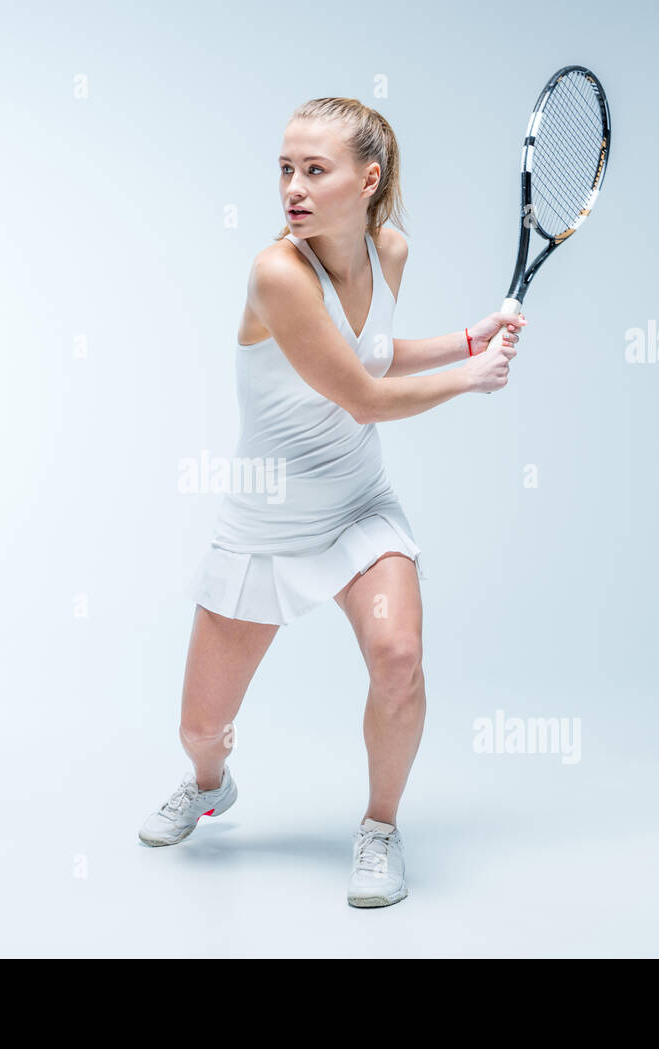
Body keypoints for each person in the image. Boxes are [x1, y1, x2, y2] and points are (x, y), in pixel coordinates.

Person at [139, 97, 524, 908]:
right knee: (198, 730)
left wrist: (465, 339)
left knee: (398, 659)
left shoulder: (391, 251)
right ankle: (210, 784)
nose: (294, 187)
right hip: (263, 526)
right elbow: (361, 395)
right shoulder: (277, 272)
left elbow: (373, 352)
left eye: (315, 169)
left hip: (357, 508)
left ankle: (380, 828)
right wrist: (473, 378)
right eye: (286, 168)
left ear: (368, 178)